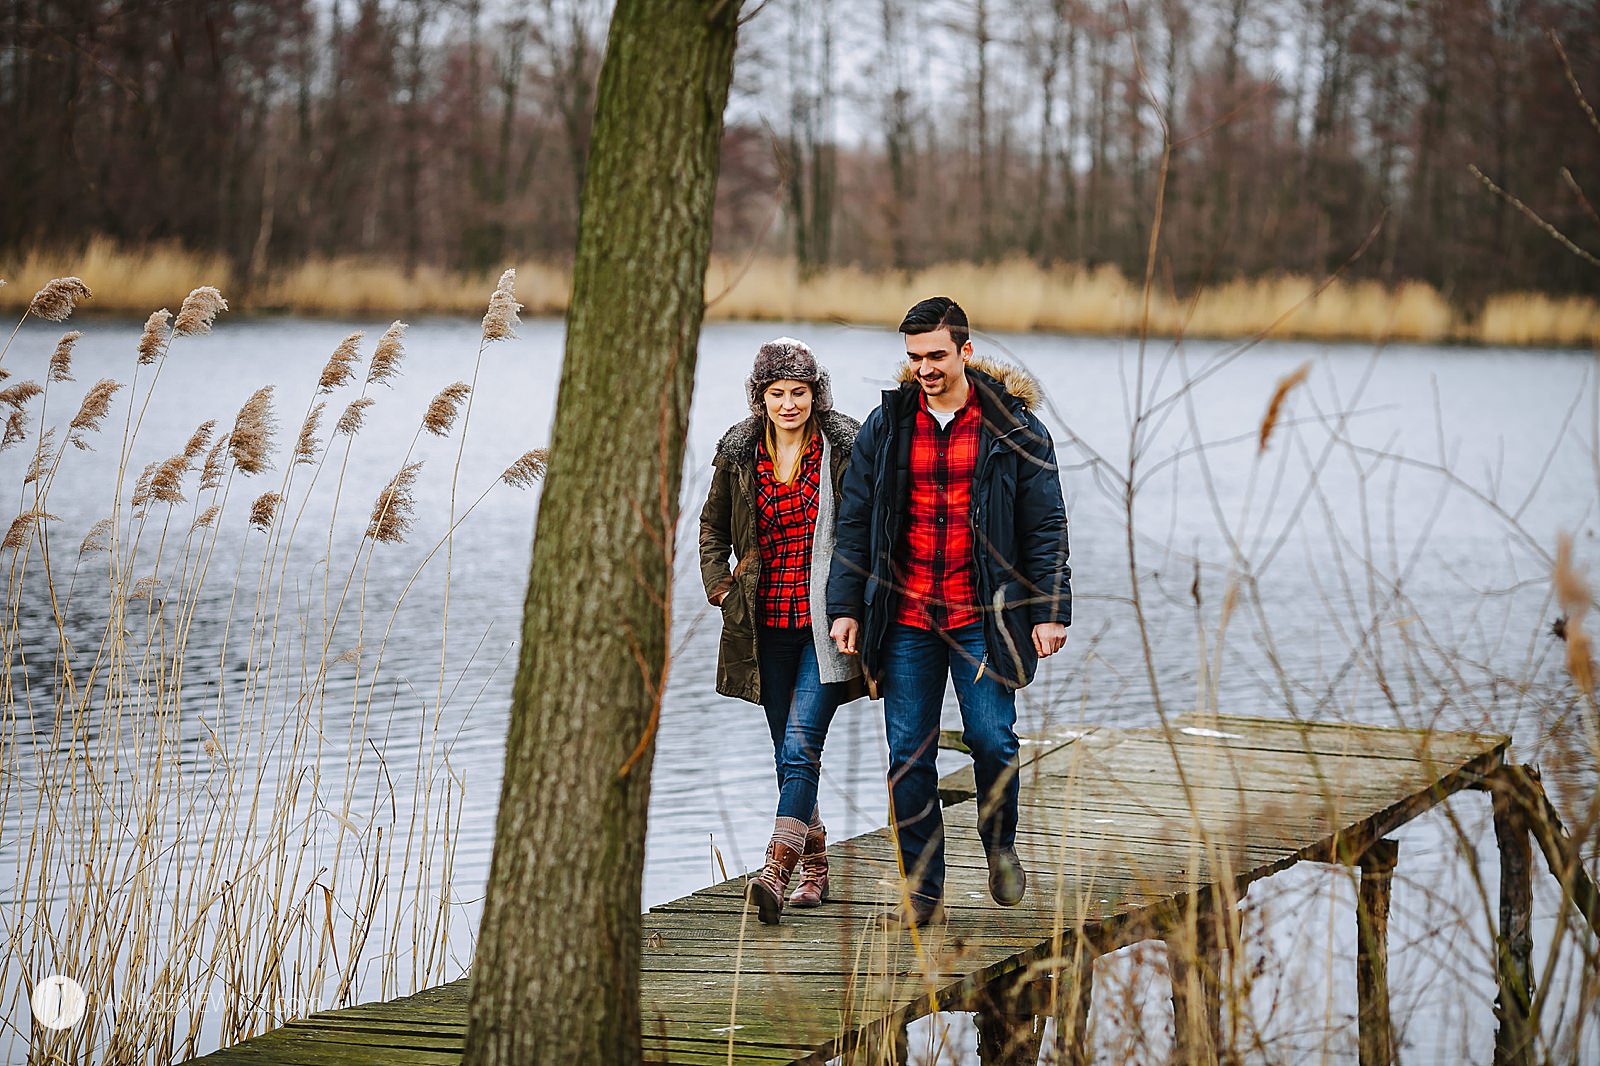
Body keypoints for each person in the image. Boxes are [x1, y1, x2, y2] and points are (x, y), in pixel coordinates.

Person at [827, 297, 1071, 928]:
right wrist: (846, 606)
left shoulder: (1012, 428)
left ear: (965, 351)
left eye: (936, 356)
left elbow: (1045, 527)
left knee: (993, 739)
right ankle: (925, 890)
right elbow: (856, 523)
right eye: (914, 358)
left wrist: (1048, 612)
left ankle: (1000, 847)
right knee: (909, 755)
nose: (925, 369)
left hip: (981, 620)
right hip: (906, 620)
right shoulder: (888, 426)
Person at [698, 337, 864, 925]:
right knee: (786, 755)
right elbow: (712, 531)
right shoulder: (740, 454)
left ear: (815, 394)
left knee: (800, 746)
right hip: (762, 627)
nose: (789, 404)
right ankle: (817, 867)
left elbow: (870, 528)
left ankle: (775, 867)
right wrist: (721, 590)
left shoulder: (846, 449)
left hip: (826, 624)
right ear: (760, 397)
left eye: (799, 392)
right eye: (777, 393)